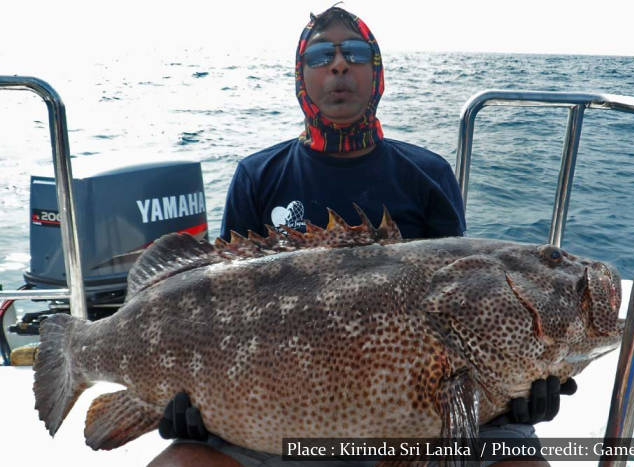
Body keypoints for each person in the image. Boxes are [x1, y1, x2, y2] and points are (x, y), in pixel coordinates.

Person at [149, 6, 574, 467]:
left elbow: (464, 310)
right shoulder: (257, 176)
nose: (338, 66)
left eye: (354, 53)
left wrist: (520, 387)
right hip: (278, 413)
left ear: (376, 71)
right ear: (301, 75)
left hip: (421, 416)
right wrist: (187, 406)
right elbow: (218, 306)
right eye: (319, 56)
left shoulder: (427, 175)